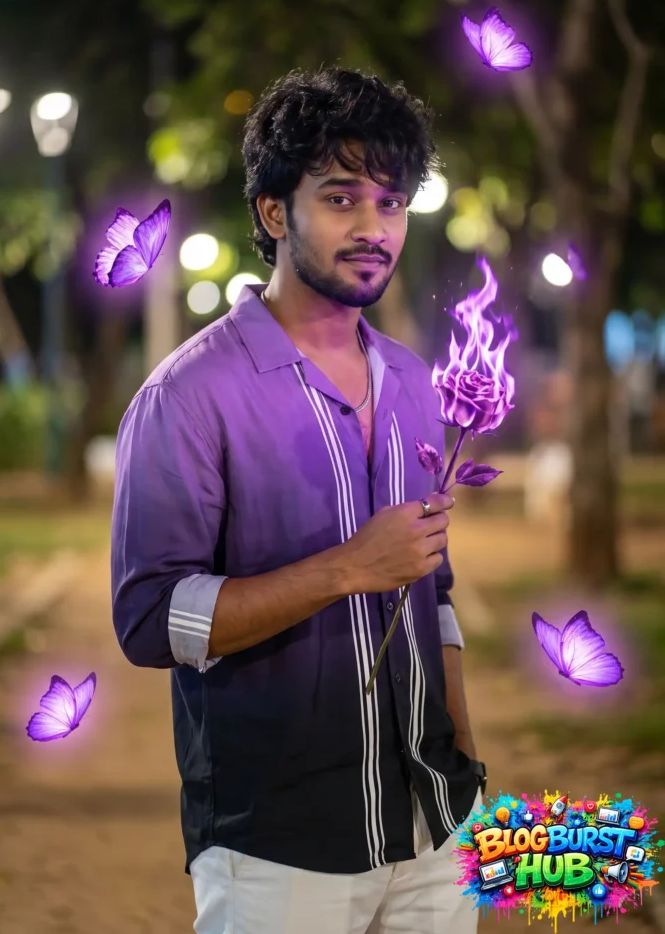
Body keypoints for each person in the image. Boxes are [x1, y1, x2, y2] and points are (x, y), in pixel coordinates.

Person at [112, 66, 485, 934]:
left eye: (391, 203)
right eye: (342, 198)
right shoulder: (189, 395)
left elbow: (436, 594)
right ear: (275, 212)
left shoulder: (414, 384)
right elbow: (152, 621)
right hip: (276, 850)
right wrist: (346, 569)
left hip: (436, 828)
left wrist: (466, 759)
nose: (374, 228)